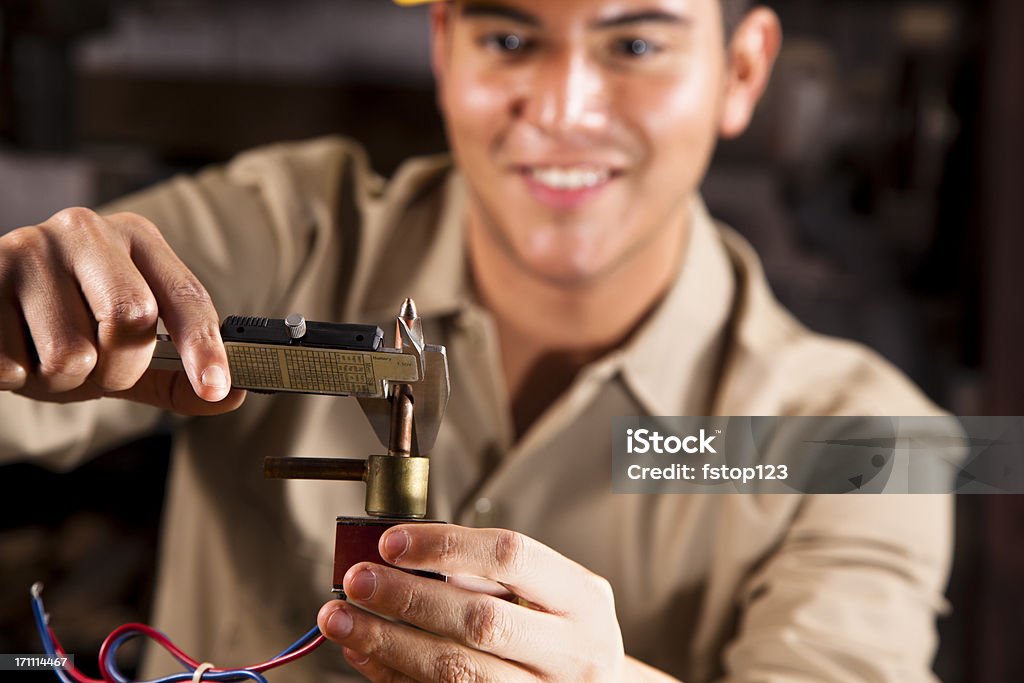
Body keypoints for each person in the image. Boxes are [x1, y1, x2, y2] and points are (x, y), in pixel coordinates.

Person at [0, 1, 953, 681]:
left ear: (743, 69)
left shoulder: (877, 441)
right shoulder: (289, 224)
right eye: (508, 36)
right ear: (443, 46)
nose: (565, 106)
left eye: (634, 41)